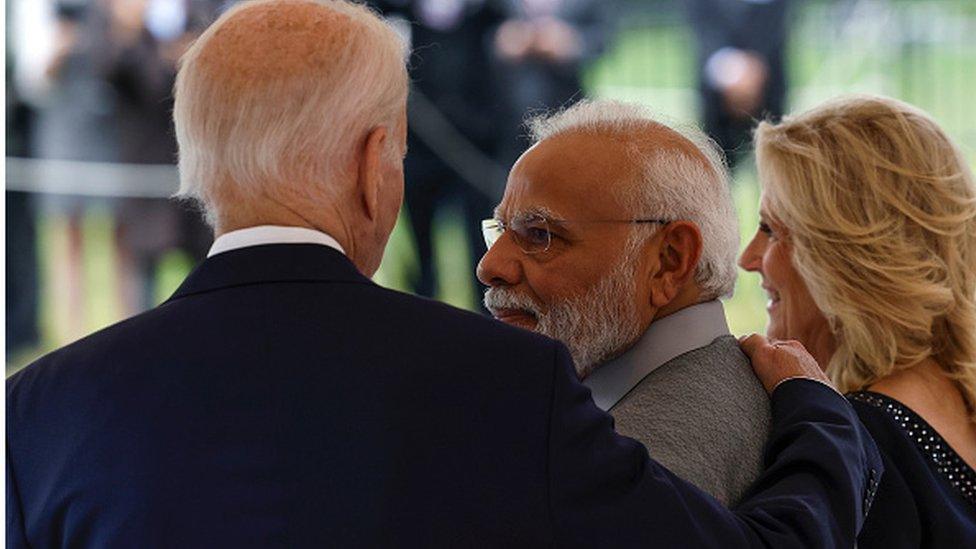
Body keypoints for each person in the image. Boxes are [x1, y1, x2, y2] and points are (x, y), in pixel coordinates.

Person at [7, 2, 881, 546]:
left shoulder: (38, 405)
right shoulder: (499, 380)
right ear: (373, 161)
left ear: (197, 164)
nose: (491, 261)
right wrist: (816, 415)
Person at [477, 99, 769, 505]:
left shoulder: (646, 468)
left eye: (540, 235)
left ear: (669, 261)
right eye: (502, 230)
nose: (489, 266)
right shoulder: (628, 410)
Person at [739, 94, 976, 546]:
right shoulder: (954, 401)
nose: (747, 258)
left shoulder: (859, 451)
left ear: (841, 258)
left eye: (771, 228)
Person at [685, 0, 790, 171]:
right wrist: (729, 68)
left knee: (777, 167)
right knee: (716, 164)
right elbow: (701, 17)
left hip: (768, 76)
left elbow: (778, 15)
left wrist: (755, 64)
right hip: (716, 84)